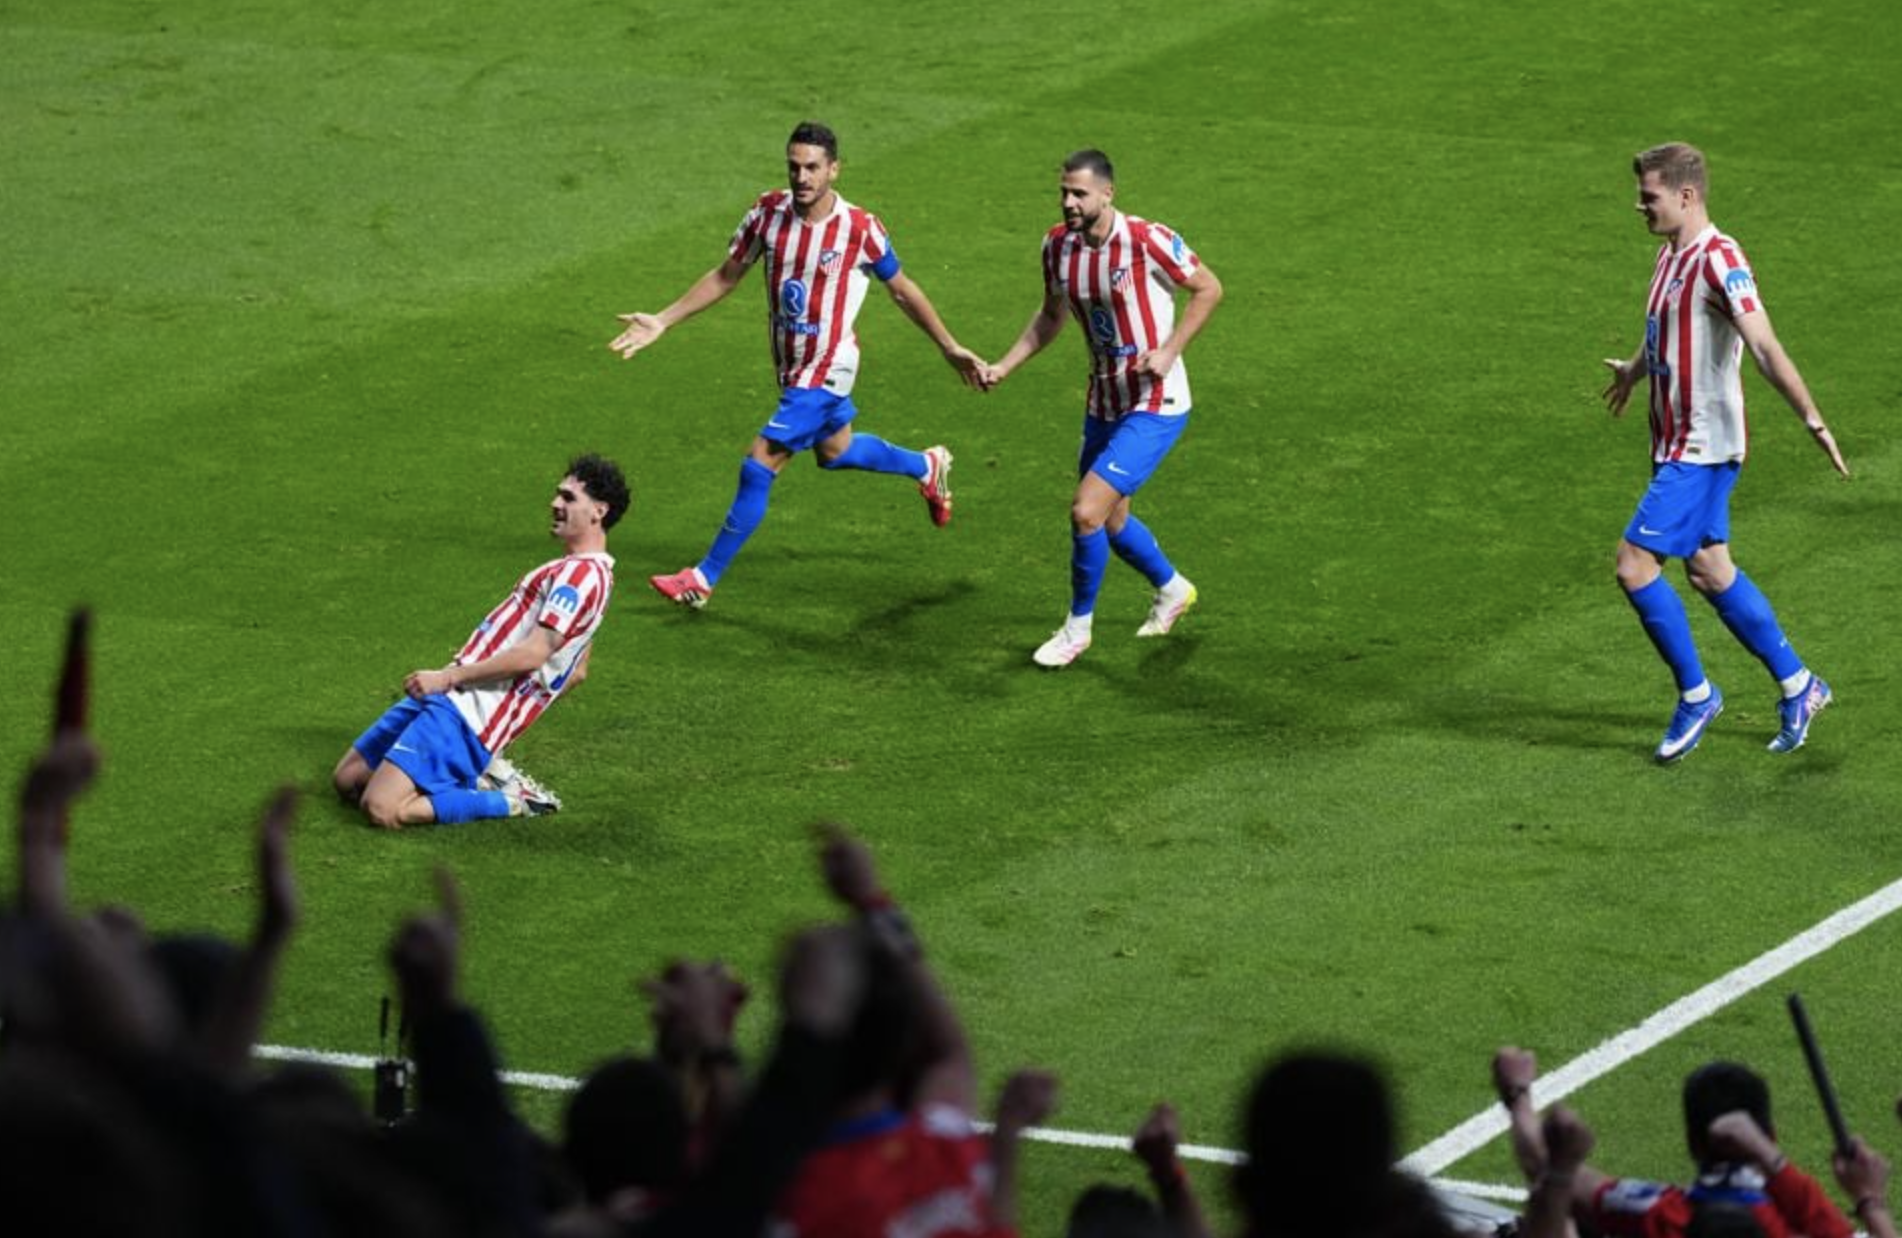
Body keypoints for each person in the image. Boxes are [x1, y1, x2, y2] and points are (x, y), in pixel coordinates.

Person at [609, 121, 984, 610]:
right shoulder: (767, 213)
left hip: (829, 367)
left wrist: (948, 345)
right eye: (794, 166)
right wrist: (663, 319)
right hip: (792, 365)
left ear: (834, 169)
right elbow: (726, 276)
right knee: (836, 451)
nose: (802, 177)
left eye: (812, 167)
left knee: (759, 463)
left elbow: (902, 289)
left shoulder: (860, 228)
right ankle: (926, 466)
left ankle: (702, 578)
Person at [1601, 142, 1849, 762]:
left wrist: (1813, 419)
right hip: (1672, 440)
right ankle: (1800, 685)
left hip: (1703, 445)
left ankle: (1697, 694)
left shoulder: (1722, 259)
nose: (1639, 206)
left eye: (1649, 196)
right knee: (1711, 570)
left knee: (1634, 565)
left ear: (1686, 196)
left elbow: (1763, 346)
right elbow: (1667, 326)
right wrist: (1635, 369)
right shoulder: (1669, 255)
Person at [979, 149, 1222, 667]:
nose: (1068, 201)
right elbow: (1050, 317)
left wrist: (1171, 349)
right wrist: (1004, 365)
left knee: (1086, 510)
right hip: (1105, 400)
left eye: (1079, 193)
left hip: (1157, 402)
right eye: (1064, 191)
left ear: (1107, 193)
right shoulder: (1057, 246)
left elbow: (1208, 288)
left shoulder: (1146, 239)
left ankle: (1077, 630)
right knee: (1111, 521)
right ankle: (1173, 588)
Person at [332, 455, 628, 828]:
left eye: (568, 498)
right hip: (455, 694)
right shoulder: (583, 574)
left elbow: (535, 654)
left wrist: (459, 687)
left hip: (468, 710)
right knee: (347, 780)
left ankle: (511, 800)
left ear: (599, 511)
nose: (555, 504)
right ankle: (475, 770)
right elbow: (577, 671)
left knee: (382, 808)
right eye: (557, 495)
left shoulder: (581, 577)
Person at [1494, 1047, 1853, 1238]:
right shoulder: (1805, 1220)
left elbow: (1548, 1167)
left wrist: (1518, 1095)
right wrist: (1772, 1160)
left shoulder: (1660, 1214)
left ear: (1691, 1142)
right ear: (1770, 1135)